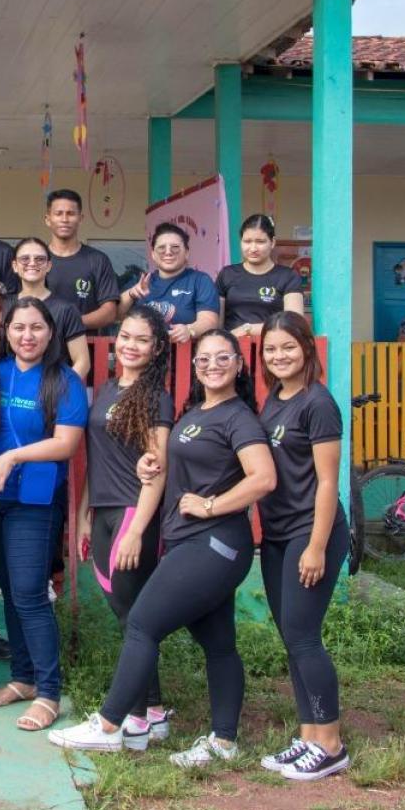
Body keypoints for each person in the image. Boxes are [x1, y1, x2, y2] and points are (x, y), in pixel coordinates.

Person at [49, 330, 276, 767]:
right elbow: (177, 466)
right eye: (204, 359)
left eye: (222, 358)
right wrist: (148, 464)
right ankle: (224, 742)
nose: (212, 365)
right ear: (194, 367)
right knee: (219, 644)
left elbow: (263, 478)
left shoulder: (239, 417)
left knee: (142, 624)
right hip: (191, 540)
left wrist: (211, 505)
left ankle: (111, 724)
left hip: (215, 543)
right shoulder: (196, 413)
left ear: (239, 364)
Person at [0, 298, 87, 733]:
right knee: (9, 590)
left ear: (50, 333)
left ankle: (48, 692)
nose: (27, 336)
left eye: (36, 328)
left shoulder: (64, 381)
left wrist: (13, 458)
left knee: (30, 594)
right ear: (6, 331)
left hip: (34, 502)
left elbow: (66, 444)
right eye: (19, 327)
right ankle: (21, 679)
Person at [253, 312, 351, 780]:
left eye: (287, 347)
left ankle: (330, 744)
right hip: (277, 534)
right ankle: (309, 734)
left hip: (312, 532)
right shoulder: (274, 398)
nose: (279, 356)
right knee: (292, 637)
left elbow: (328, 481)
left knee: (304, 635)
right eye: (271, 349)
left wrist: (316, 545)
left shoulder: (318, 403)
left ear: (307, 348)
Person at [80, 306, 175, 750]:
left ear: (156, 349)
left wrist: (138, 528)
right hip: (102, 511)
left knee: (132, 616)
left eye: (141, 340)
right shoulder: (106, 389)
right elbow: (96, 457)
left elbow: (158, 468)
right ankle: (152, 711)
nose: (130, 345)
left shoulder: (157, 396)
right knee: (128, 616)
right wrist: (84, 511)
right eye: (126, 337)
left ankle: (135, 716)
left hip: (133, 512)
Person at [118, 223, 222, 343]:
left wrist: (189, 330)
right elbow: (116, 315)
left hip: (184, 355)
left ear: (187, 252)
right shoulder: (141, 281)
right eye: (161, 247)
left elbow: (209, 320)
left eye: (175, 247)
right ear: (153, 254)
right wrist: (131, 294)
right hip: (144, 355)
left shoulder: (200, 281)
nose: (168, 252)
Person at [218, 213, 306, 345]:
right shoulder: (227, 274)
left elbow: (294, 322)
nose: (253, 248)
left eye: (260, 242)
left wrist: (248, 329)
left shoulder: (288, 276)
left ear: (273, 242)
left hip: (272, 350)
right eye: (247, 241)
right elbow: (217, 324)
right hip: (231, 351)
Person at [10, 237, 91, 377]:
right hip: (10, 390)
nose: (32, 263)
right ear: (15, 266)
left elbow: (82, 362)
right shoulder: (5, 305)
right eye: (25, 259)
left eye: (39, 259)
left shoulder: (66, 310)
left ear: (48, 266)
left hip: (52, 390)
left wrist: (61, 390)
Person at [42, 189, 120, 330]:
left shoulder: (98, 260)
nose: (65, 219)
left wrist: (70, 323)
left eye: (71, 213)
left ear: (81, 218)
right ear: (48, 219)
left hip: (86, 348)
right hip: (42, 347)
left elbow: (109, 312)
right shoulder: (37, 260)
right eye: (58, 213)